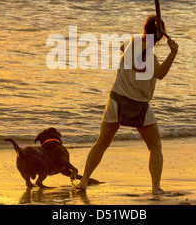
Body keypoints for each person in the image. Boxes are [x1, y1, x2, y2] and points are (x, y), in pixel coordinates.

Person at [77, 15, 179, 194]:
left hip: (117, 102)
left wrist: (138, 44)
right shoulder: (151, 59)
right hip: (138, 107)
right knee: (155, 146)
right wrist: (173, 53)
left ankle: (84, 181)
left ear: (144, 30)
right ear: (161, 37)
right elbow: (160, 74)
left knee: (102, 142)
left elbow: (122, 46)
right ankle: (156, 187)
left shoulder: (132, 42)